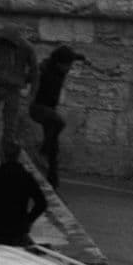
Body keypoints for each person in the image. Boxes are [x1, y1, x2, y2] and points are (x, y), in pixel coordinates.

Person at [0, 24, 37, 173]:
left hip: (12, 90)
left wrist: (30, 91)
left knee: (9, 130)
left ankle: (5, 165)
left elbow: (35, 73)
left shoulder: (26, 48)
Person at [27, 44, 83, 188]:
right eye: (67, 65)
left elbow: (72, 55)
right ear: (58, 63)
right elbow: (29, 76)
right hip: (38, 108)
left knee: (54, 146)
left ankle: (52, 180)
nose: (69, 68)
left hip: (50, 111)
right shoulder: (44, 69)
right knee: (60, 122)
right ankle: (42, 150)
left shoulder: (61, 69)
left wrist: (81, 58)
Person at [0, 142, 47, 245]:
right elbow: (41, 203)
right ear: (19, 155)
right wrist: (28, 220)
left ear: (3, 155)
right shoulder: (25, 176)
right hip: (17, 230)